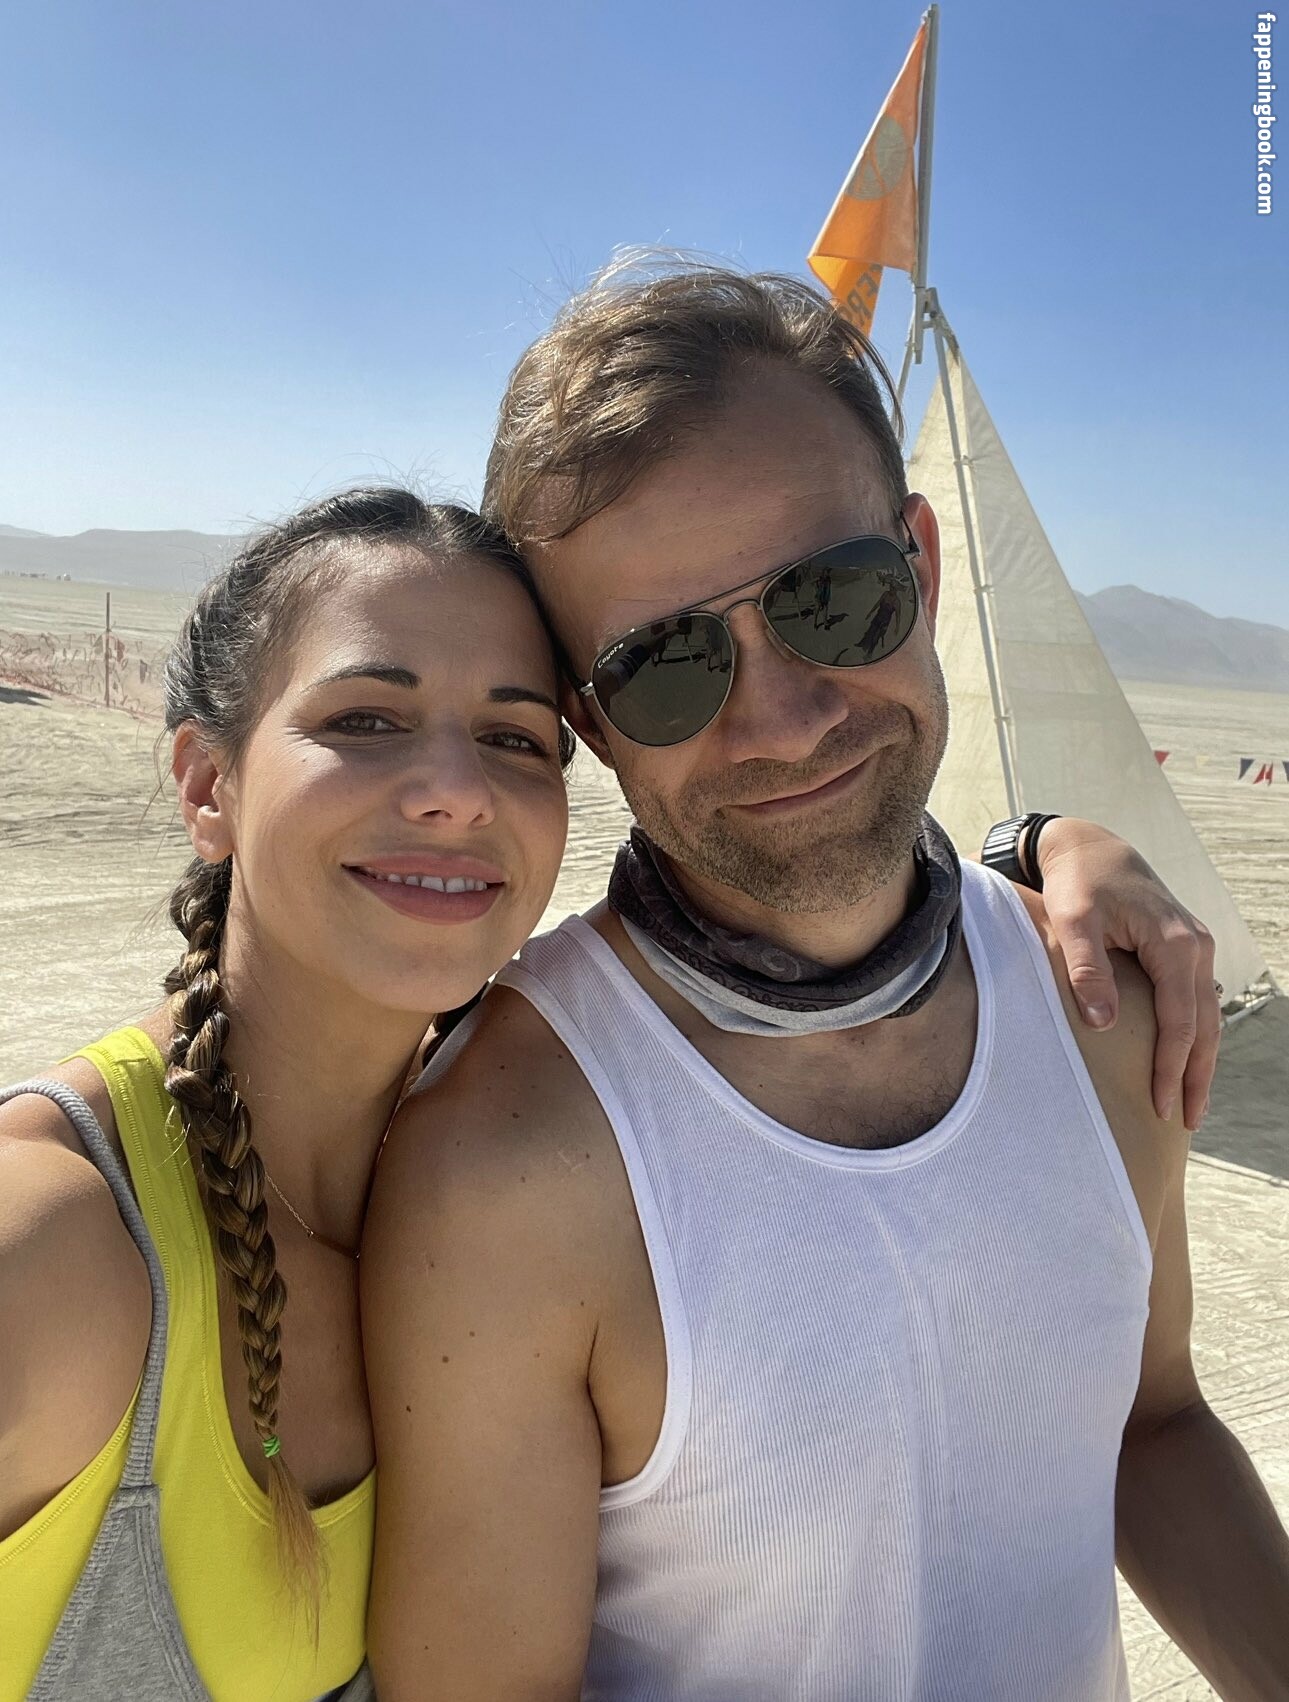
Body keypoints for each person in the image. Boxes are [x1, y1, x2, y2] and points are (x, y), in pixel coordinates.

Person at [362, 262, 1289, 1701]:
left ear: (919, 562)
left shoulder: (1101, 1007)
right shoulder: (503, 1160)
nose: (784, 718)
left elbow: (1148, 1429)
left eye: (832, 600)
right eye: (668, 665)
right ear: (594, 723)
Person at [0, 489, 572, 1700]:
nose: (457, 789)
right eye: (365, 719)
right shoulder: (51, 1245)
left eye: (517, 737)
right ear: (208, 785)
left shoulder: (516, 1182)